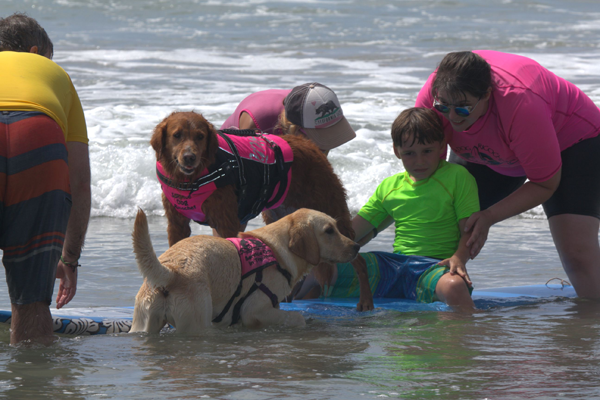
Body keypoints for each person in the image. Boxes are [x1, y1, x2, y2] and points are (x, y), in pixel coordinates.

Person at [415, 50, 600, 299]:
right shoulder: (436, 94)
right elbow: (429, 172)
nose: (450, 117)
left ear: (487, 95)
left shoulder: (522, 103)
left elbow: (545, 183)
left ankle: (590, 324)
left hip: (571, 141)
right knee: (444, 219)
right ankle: (433, 297)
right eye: (443, 107)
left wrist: (489, 216)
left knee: (577, 255)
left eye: (462, 109)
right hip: (493, 150)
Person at [296, 107, 480, 312]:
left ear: (441, 147)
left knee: (454, 286)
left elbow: (470, 230)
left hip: (435, 268)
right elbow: (353, 234)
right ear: (396, 151)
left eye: (427, 151)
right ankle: (291, 321)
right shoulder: (390, 187)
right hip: (391, 268)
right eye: (410, 153)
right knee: (313, 270)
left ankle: (466, 330)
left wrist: (459, 258)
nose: (419, 161)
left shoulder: (457, 177)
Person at [0, 13, 91, 345]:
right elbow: (80, 180)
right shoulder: (56, 75)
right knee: (32, 303)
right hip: (36, 136)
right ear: (36, 53)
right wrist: (68, 258)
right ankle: (33, 388)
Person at [221, 83, 357, 154]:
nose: (326, 148)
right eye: (321, 135)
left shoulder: (309, 102)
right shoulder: (257, 123)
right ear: (296, 128)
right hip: (230, 150)